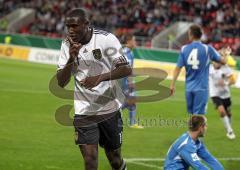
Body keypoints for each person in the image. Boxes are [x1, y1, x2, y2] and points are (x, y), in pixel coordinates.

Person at [56, 8, 131, 170]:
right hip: (84, 111)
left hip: (109, 109)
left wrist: (99, 78)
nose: (70, 30)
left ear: (87, 24)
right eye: (68, 26)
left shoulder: (106, 39)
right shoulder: (66, 44)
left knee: (115, 160)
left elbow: (126, 69)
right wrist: (71, 58)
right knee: (90, 160)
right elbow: (61, 82)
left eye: (75, 26)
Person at [170, 24, 228, 115]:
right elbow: (223, 61)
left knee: (191, 115)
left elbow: (178, 68)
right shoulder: (207, 49)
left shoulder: (184, 49)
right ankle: (195, 129)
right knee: (199, 116)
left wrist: (172, 84)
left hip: (189, 88)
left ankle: (191, 130)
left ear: (192, 35)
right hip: (201, 88)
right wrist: (225, 54)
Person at [209, 60, 236, 139]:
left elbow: (233, 80)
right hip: (214, 94)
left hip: (225, 94)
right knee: (222, 111)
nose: (217, 63)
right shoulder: (209, 68)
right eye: (215, 61)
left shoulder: (226, 68)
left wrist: (225, 83)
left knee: (228, 113)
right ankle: (229, 131)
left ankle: (228, 125)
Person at [121, 33, 143, 129]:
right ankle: (113, 113)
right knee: (130, 101)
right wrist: (130, 82)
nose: (135, 42)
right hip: (125, 82)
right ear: (128, 41)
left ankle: (132, 122)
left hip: (123, 81)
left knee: (131, 101)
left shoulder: (128, 52)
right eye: (133, 40)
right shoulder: (127, 53)